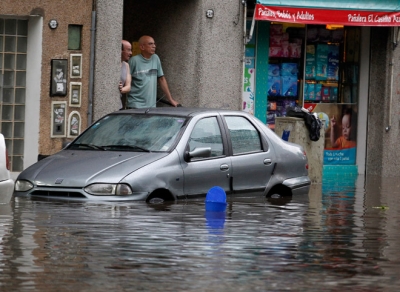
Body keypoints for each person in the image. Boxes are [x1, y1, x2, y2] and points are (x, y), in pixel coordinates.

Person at [126, 35, 179, 109]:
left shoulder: (155, 58)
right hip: (135, 105)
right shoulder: (133, 61)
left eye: (154, 44)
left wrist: (170, 99)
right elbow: (126, 80)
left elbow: (161, 79)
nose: (154, 46)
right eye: (150, 44)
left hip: (151, 106)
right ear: (142, 47)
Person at [119, 40, 132, 109]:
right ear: (121, 50)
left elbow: (128, 86)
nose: (131, 53)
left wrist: (121, 89)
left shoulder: (126, 65)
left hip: (119, 105)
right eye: (128, 50)